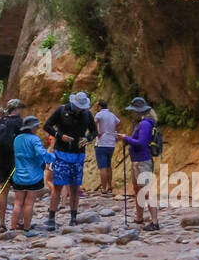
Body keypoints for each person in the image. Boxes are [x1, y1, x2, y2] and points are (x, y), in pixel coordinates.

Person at [43, 90, 97, 230]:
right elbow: (47, 126)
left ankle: (73, 218)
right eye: (79, 106)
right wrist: (60, 136)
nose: (81, 109)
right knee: (57, 187)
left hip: (78, 155)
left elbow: (94, 131)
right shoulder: (62, 110)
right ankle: (51, 218)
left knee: (75, 187)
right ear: (73, 103)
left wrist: (88, 139)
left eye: (83, 107)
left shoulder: (86, 114)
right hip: (61, 153)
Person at [119, 96, 160, 230]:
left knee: (146, 191)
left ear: (138, 111)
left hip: (143, 161)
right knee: (137, 190)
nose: (132, 113)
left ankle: (154, 222)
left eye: (133, 110)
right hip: (137, 160)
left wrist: (126, 139)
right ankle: (139, 217)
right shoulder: (143, 123)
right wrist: (128, 139)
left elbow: (141, 143)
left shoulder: (145, 124)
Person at [9, 116, 54, 233]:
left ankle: (13, 227)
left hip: (18, 176)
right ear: (32, 127)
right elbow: (41, 153)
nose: (38, 128)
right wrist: (52, 157)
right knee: (29, 203)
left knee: (18, 203)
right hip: (33, 177)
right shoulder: (34, 139)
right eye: (37, 126)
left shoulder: (17, 139)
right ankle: (26, 228)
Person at [0, 99, 24, 234]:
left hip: (2, 160)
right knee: (19, 192)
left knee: (3, 191)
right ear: (16, 109)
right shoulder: (21, 123)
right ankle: (18, 222)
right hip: (16, 160)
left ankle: (2, 223)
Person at [94, 99, 121, 196]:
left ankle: (103, 188)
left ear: (100, 106)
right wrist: (116, 134)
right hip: (111, 143)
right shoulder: (112, 115)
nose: (96, 108)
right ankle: (109, 186)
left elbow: (95, 122)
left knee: (103, 166)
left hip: (102, 143)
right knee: (108, 165)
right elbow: (118, 123)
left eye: (97, 106)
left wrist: (97, 133)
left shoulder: (99, 114)